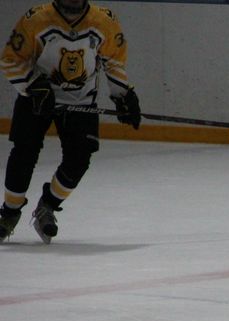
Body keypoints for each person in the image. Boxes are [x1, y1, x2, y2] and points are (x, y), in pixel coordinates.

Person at [0, 0, 141, 244]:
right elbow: (11, 59)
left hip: (81, 100)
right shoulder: (36, 19)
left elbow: (113, 61)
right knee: (24, 153)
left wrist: (123, 96)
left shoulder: (104, 21)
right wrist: (33, 85)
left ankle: (48, 206)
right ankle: (9, 213)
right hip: (36, 98)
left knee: (79, 159)